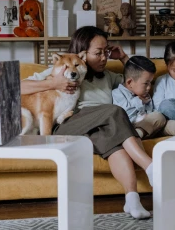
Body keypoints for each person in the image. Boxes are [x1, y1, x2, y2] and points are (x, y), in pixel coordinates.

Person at [21, 26, 155, 219]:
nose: (103, 58)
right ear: (82, 53)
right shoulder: (65, 70)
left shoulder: (108, 76)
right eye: (98, 53)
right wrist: (53, 83)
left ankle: (132, 200)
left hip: (101, 127)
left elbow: (137, 82)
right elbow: (17, 87)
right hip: (69, 124)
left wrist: (124, 58)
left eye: (106, 52)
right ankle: (150, 167)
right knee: (115, 111)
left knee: (116, 146)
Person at [112, 55, 175, 139]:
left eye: (150, 83)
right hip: (131, 127)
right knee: (158, 116)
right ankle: (135, 136)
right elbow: (123, 115)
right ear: (130, 82)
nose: (149, 87)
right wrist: (139, 101)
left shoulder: (145, 95)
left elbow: (151, 111)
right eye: (146, 83)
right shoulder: (117, 93)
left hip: (151, 126)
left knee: (167, 122)